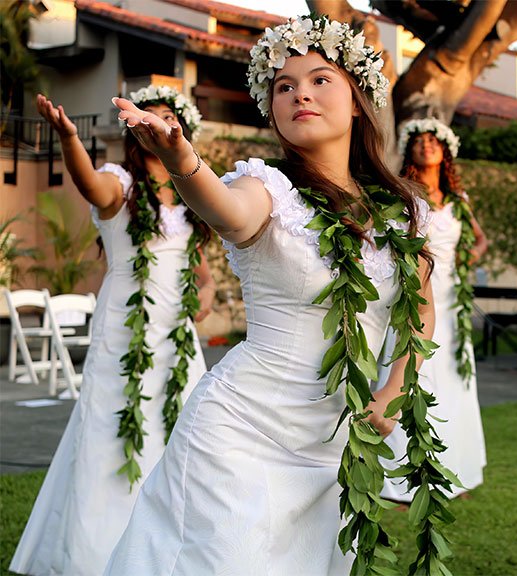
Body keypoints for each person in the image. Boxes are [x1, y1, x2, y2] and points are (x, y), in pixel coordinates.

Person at [105, 16, 443, 574]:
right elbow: (228, 211)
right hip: (240, 433)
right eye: (283, 86)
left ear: (357, 100)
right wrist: (182, 161)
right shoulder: (267, 187)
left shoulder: (403, 211)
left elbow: (419, 316)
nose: (300, 94)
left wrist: (392, 391)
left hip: (337, 442)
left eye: (319, 80)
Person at [10, 86, 213, 576]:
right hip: (125, 328)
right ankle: (95, 556)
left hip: (176, 339)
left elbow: (201, 274)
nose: (156, 123)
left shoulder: (191, 198)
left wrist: (202, 299)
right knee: (110, 434)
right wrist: (69, 140)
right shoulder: (119, 185)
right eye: (149, 116)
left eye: (167, 117)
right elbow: (89, 185)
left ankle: (166, 551)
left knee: (177, 432)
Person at [376, 118, 488, 502]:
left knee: (453, 381)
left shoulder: (458, 201)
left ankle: (455, 470)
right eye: (420, 142)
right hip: (413, 294)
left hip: (451, 299)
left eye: (433, 142)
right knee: (410, 373)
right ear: (410, 150)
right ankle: (401, 481)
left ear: (445, 153)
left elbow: (479, 241)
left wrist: (464, 264)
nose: (426, 147)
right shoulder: (401, 193)